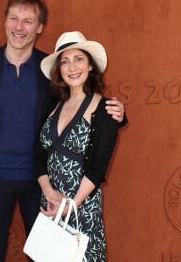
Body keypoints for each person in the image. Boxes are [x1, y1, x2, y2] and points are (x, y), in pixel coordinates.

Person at [0, 0, 126, 262]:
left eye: (28, 21)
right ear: (5, 22)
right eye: (14, 19)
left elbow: (81, 106)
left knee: (47, 256)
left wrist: (118, 114)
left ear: (39, 27)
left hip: (39, 183)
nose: (19, 27)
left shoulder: (48, 70)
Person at [34, 31, 126, 262]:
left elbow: (97, 168)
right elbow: (38, 156)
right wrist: (49, 194)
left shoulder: (106, 110)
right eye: (65, 61)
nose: (72, 67)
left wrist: (70, 206)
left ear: (91, 66)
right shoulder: (53, 107)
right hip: (51, 207)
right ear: (59, 70)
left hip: (81, 210)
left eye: (79, 59)